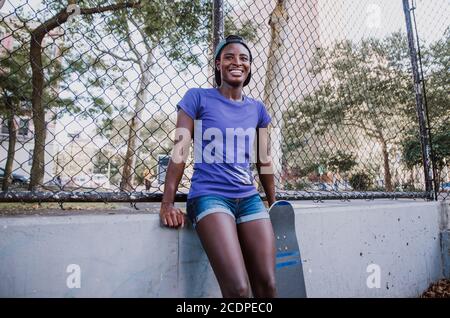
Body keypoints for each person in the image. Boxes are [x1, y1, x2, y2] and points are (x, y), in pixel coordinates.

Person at [159, 35, 277, 298]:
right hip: (210, 197)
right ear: (217, 64)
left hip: (248, 198)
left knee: (267, 285)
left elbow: (264, 160)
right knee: (238, 289)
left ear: (249, 66)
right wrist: (167, 203)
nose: (237, 62)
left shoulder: (258, 109)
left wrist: (274, 203)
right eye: (229, 57)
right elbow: (179, 152)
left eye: (244, 58)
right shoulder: (197, 98)